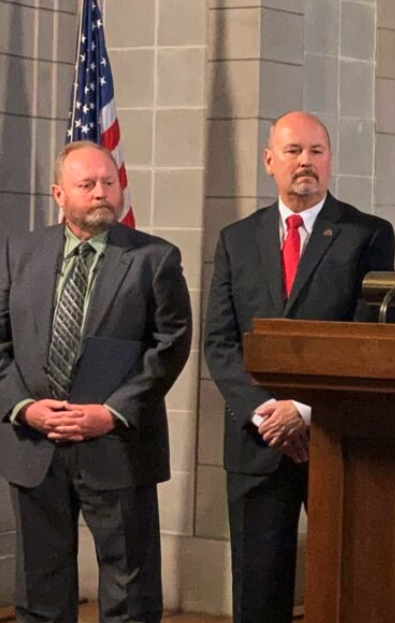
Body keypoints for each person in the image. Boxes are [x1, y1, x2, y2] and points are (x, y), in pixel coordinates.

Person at [204, 110, 395, 623]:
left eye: (316, 151)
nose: (304, 162)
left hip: (333, 436)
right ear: (270, 161)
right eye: (292, 151)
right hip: (256, 440)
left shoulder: (368, 235)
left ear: (330, 161)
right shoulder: (235, 240)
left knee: (347, 587)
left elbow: (371, 339)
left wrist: (306, 411)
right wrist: (269, 412)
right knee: (257, 591)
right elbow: (220, 343)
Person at [0, 141, 192, 623]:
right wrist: (24, 407)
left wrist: (111, 412)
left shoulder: (155, 258)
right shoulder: (20, 252)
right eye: (87, 185)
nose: (102, 193)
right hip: (36, 446)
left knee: (130, 591)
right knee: (40, 590)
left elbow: (170, 345)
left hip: (118, 444)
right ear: (59, 194)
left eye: (110, 182)